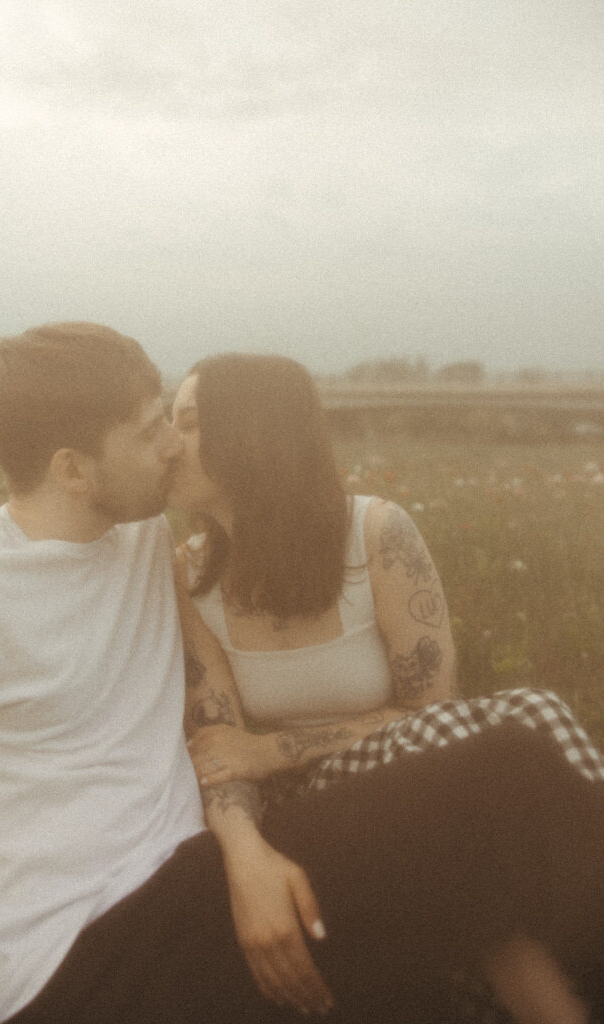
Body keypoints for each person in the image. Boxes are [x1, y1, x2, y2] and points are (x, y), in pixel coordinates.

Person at [0, 326, 600, 1024]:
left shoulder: (145, 545)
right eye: (152, 428)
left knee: (435, 951)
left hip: (195, 887)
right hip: (76, 963)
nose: (171, 445)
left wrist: (244, 857)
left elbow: (219, 731)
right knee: (510, 777)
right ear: (72, 471)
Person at [168, 352, 604, 1023]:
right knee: (507, 723)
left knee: (516, 717)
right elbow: (224, 754)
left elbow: (430, 708)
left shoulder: (375, 533)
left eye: (191, 421)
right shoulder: (189, 577)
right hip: (313, 813)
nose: (171, 442)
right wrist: (246, 840)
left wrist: (271, 748)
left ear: (251, 432)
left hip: (420, 776)